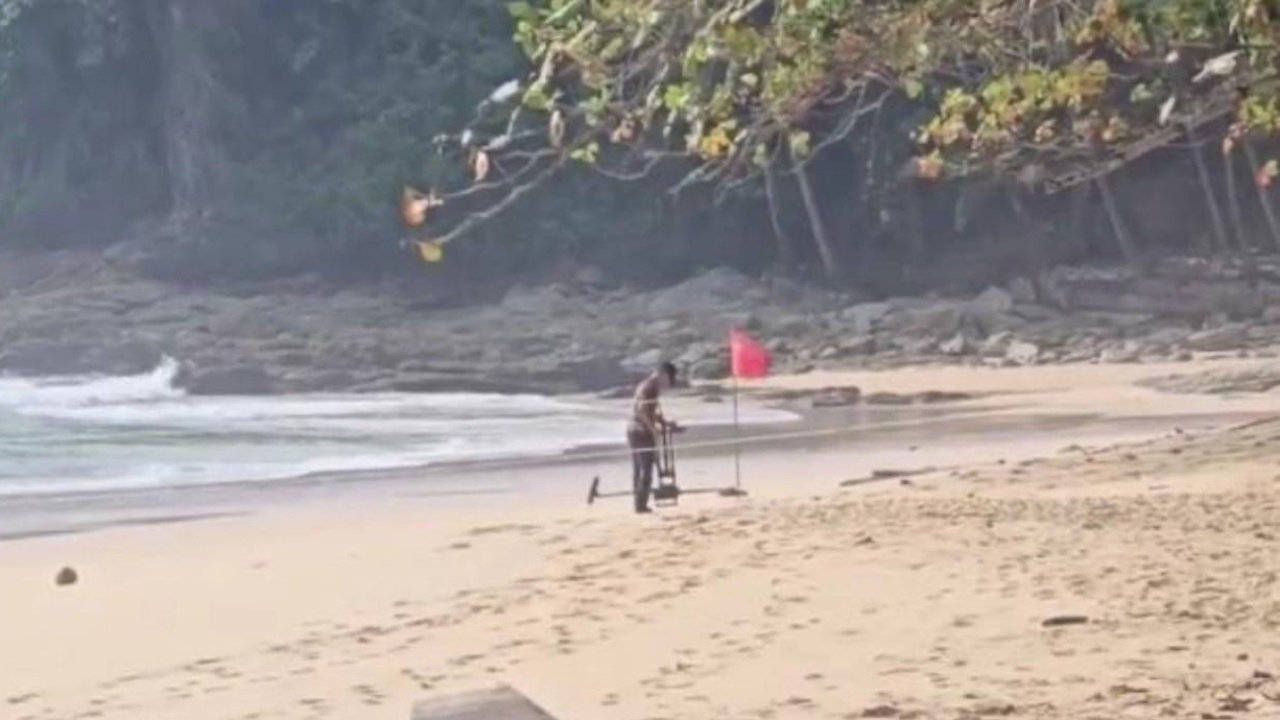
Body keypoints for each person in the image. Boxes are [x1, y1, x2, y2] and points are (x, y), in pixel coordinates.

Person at [626, 361, 678, 514]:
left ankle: (639, 503)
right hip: (640, 431)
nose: (667, 384)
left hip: (633, 430)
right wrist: (652, 428)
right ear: (662, 374)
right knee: (646, 469)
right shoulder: (650, 388)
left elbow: (649, 411)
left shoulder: (646, 385)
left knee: (639, 468)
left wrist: (664, 423)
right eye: (668, 379)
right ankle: (640, 505)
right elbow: (642, 410)